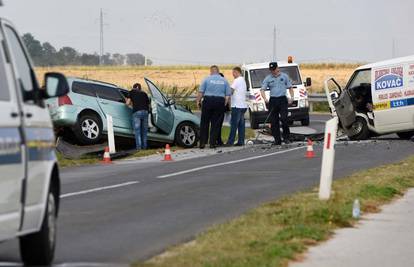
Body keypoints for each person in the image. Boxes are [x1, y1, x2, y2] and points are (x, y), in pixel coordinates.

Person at [197, 65, 231, 149]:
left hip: (208, 100)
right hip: (219, 101)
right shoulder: (224, 81)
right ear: (218, 72)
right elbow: (227, 96)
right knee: (216, 123)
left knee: (204, 122)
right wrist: (224, 104)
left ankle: (202, 143)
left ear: (211, 71)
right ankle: (212, 143)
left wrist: (198, 101)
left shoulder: (206, 79)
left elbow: (201, 92)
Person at [260, 62, 294, 145]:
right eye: (271, 70)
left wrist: (292, 97)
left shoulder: (284, 76)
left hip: (282, 100)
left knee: (284, 119)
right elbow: (262, 90)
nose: (273, 71)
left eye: (274, 69)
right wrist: (265, 99)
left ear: (277, 68)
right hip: (273, 100)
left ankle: (286, 138)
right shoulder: (268, 78)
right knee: (274, 121)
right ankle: (277, 140)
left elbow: (290, 87)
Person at [227, 67, 247, 146]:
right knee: (241, 125)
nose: (232, 74)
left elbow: (230, 91)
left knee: (234, 124)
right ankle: (241, 141)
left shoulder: (237, 80)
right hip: (243, 105)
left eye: (233, 73)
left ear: (236, 72)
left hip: (236, 105)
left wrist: (226, 97)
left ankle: (230, 142)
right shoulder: (243, 80)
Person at [126, 83, 150, 150]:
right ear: (140, 88)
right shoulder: (144, 93)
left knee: (137, 131)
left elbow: (127, 103)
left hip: (137, 112)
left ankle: (139, 149)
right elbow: (148, 104)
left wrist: (132, 107)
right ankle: (144, 148)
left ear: (133, 88)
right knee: (144, 131)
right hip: (145, 112)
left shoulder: (131, 92)